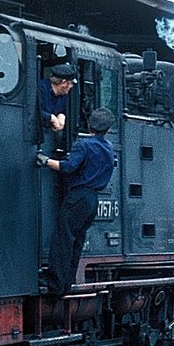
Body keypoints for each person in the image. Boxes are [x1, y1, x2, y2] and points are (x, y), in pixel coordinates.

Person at [36, 107, 115, 295]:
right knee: (77, 241)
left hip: (78, 196)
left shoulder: (84, 145)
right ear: (108, 129)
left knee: (63, 238)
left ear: (89, 125)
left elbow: (68, 167)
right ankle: (66, 283)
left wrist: (45, 160)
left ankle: (55, 283)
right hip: (92, 199)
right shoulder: (109, 148)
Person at [39, 63, 76, 133]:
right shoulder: (40, 89)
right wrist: (50, 117)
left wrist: (62, 115)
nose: (71, 86)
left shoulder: (64, 94)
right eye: (71, 83)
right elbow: (32, 111)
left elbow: (64, 110)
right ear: (64, 82)